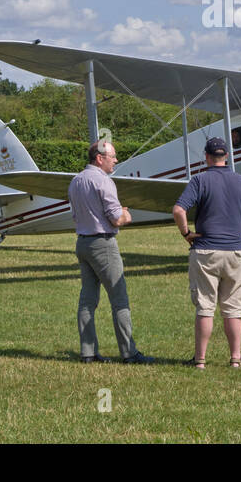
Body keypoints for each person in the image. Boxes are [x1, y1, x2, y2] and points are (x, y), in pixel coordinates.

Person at [171, 137, 241, 369]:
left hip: (206, 250)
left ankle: (200, 361)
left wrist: (186, 233)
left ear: (207, 157)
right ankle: (236, 360)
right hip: (236, 252)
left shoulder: (199, 180)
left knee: (205, 307)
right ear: (226, 156)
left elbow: (178, 209)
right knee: (233, 309)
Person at [67, 139, 153, 363]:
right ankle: (129, 353)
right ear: (99, 158)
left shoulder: (75, 181)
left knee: (87, 300)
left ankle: (88, 353)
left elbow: (75, 216)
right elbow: (116, 219)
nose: (116, 160)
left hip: (82, 243)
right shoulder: (104, 181)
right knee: (119, 300)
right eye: (112, 156)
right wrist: (126, 215)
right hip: (103, 244)